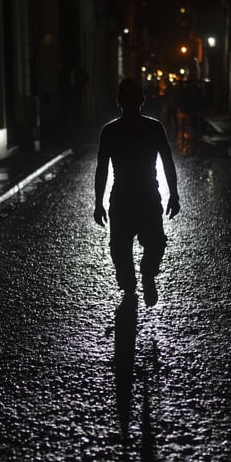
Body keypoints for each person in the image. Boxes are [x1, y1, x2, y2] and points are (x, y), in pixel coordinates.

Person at [94, 78, 180, 306]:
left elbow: (168, 162)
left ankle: (147, 274)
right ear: (119, 101)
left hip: (148, 196)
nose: (131, 100)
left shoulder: (154, 128)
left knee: (156, 243)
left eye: (134, 95)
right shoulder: (110, 131)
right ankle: (128, 283)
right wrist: (98, 203)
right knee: (119, 249)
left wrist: (174, 194)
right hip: (122, 198)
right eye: (126, 96)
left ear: (141, 99)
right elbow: (102, 168)